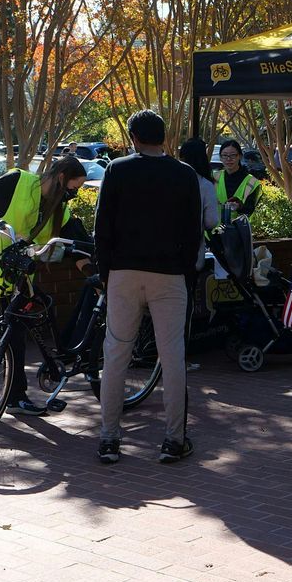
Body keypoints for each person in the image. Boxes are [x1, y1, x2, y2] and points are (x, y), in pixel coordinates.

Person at [95, 110, 201, 464]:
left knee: (116, 353)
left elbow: (102, 228)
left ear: (133, 137)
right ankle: (173, 439)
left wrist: (106, 273)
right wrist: (185, 273)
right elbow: (192, 232)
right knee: (172, 357)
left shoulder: (117, 169)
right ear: (164, 137)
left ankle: (109, 438)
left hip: (124, 272)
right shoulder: (184, 174)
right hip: (170, 274)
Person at [0, 154, 91, 416]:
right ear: (60, 178)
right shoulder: (19, 180)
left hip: (16, 276)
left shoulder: (59, 211)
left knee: (16, 334)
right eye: (72, 189)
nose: (72, 196)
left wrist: (93, 275)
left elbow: (78, 248)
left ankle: (16, 396)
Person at [179, 138, 221, 372]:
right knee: (183, 309)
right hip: (188, 256)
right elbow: (211, 221)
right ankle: (180, 359)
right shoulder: (205, 184)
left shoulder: (171, 179)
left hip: (158, 254)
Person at [216, 139, 261, 219]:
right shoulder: (214, 177)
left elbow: (251, 210)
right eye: (225, 155)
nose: (228, 159)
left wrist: (239, 207)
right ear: (220, 157)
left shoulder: (252, 182)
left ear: (240, 156)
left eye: (233, 155)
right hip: (213, 229)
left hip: (239, 229)